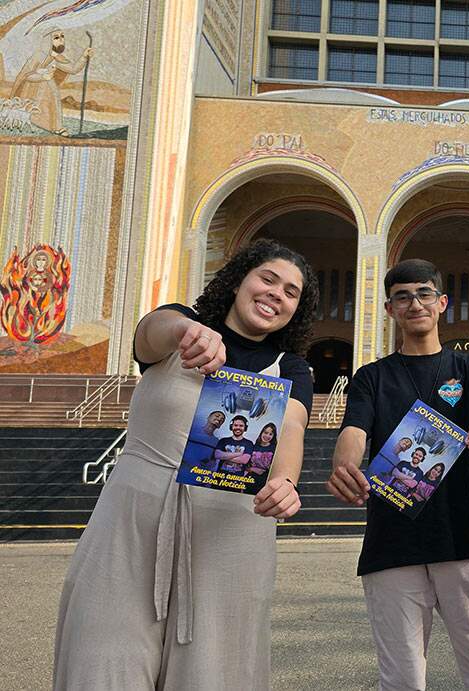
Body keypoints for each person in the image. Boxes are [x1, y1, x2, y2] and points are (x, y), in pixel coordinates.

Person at [52, 239, 318, 690]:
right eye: (268, 279)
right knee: (102, 658)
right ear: (238, 281)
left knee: (214, 671)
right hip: (132, 521)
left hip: (230, 533)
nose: (276, 293)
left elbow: (291, 427)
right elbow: (150, 332)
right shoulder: (181, 327)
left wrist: (286, 482)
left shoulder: (290, 368)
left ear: (296, 310)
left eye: (291, 292)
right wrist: (187, 332)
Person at [325, 258, 469, 691]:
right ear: (390, 309)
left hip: (457, 535)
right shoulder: (371, 377)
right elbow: (354, 429)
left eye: (425, 293)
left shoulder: (468, 367)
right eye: (403, 297)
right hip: (391, 540)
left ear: (442, 303)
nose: (415, 304)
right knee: (401, 676)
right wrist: (344, 464)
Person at [11, 28, 95, 136]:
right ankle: (53, 127)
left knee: (53, 101)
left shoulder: (56, 57)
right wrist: (43, 76)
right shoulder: (39, 56)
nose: (61, 40)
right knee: (37, 111)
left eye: (62, 36)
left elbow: (73, 69)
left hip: (49, 90)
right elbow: (26, 76)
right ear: (49, 41)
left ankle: (56, 127)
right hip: (32, 91)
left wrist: (84, 57)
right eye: (56, 37)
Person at [246, 422, 278, 492]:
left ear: (273, 436)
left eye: (270, 434)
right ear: (261, 433)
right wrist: (252, 469)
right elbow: (246, 465)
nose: (267, 436)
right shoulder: (254, 446)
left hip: (264, 483)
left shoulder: (275, 448)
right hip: (250, 480)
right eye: (265, 433)